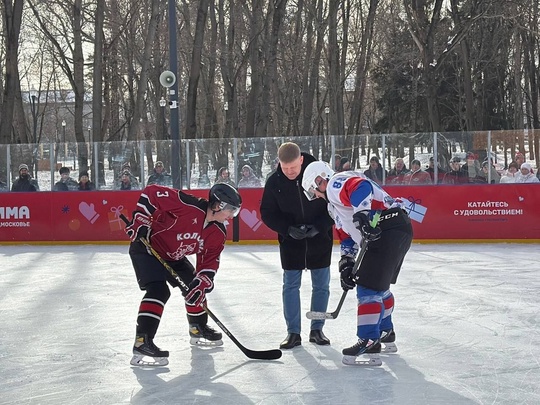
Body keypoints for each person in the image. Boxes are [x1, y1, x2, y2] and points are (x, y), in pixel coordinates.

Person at [301, 161, 413, 366]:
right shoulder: (333, 205)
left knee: (367, 288)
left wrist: (363, 215)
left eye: (312, 190)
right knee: (379, 286)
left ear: (319, 180)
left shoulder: (335, 182)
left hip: (386, 226)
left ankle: (369, 340)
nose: (315, 195)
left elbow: (362, 187)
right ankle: (385, 331)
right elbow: (346, 235)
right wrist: (346, 262)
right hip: (397, 227)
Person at [125, 182, 243, 367]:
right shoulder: (188, 205)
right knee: (158, 291)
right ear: (218, 205)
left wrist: (202, 283)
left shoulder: (217, 232)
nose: (231, 216)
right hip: (147, 247)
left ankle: (197, 328)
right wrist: (140, 219)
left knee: (194, 286)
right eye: (230, 210)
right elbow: (152, 192)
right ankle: (142, 342)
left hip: (174, 255)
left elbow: (209, 262)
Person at [260, 142, 334, 349]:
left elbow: (335, 204)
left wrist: (320, 227)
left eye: (293, 167)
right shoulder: (274, 182)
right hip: (291, 242)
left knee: (321, 286)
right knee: (290, 286)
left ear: (301, 160)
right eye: (285, 168)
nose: (290, 172)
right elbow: (267, 212)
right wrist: (287, 229)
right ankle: (293, 332)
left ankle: (317, 329)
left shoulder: (320, 174)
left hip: (320, 239)